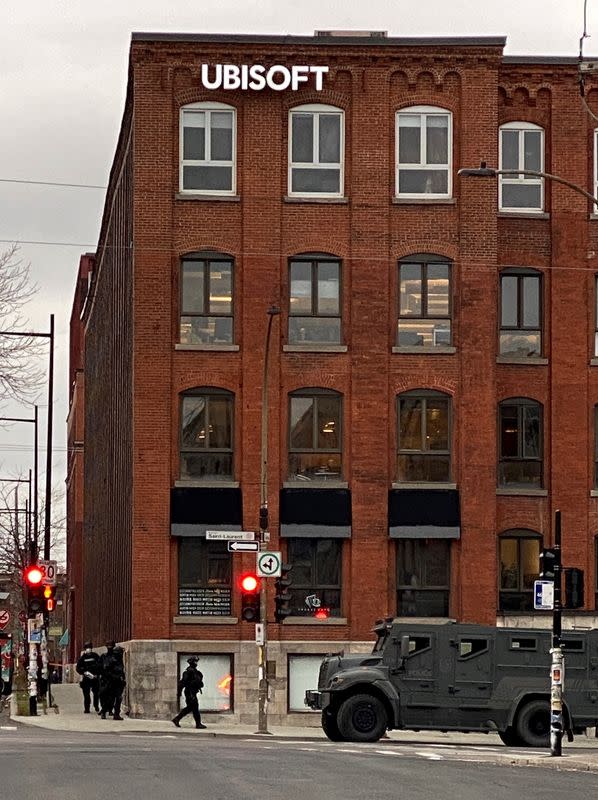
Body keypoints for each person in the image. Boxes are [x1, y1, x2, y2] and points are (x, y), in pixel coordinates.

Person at [172, 656, 206, 729]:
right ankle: (198, 724)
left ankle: (177, 719)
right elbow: (182, 683)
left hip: (193, 692)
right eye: (195, 662)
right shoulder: (188, 672)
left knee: (191, 708)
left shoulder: (196, 672)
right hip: (190, 692)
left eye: (196, 662)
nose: (196, 663)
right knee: (194, 707)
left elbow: (199, 682)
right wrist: (179, 693)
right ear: (191, 662)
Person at [99, 641, 126, 720]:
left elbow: (121, 671)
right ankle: (104, 712)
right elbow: (105, 670)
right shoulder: (110, 659)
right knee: (109, 698)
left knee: (118, 698)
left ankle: (116, 714)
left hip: (117, 682)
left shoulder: (118, 660)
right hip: (110, 681)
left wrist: (122, 678)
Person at [76, 641, 101, 714]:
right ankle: (87, 708)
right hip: (86, 678)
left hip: (95, 678)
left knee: (96, 693)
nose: (88, 649)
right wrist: (83, 672)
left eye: (89, 648)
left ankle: (96, 706)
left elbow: (100, 665)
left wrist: (97, 674)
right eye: (87, 648)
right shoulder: (82, 658)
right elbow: (78, 668)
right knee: (86, 695)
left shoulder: (95, 656)